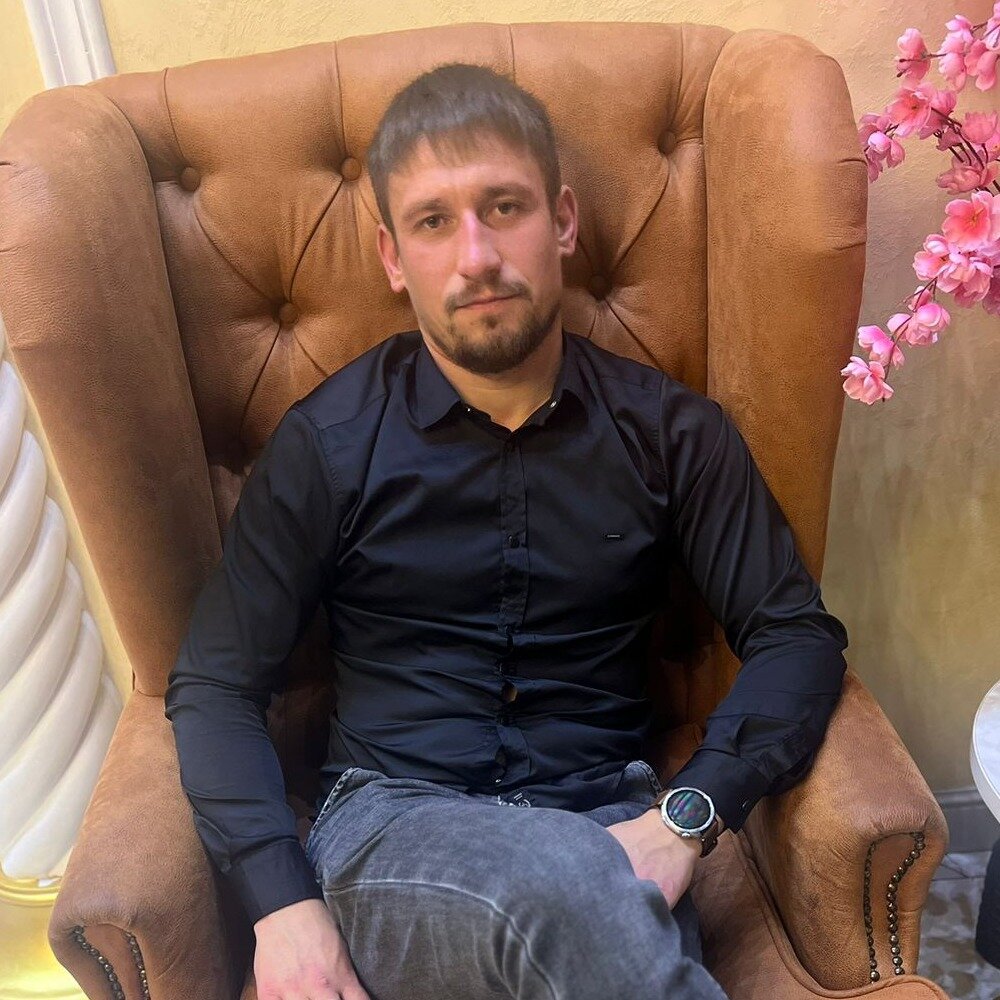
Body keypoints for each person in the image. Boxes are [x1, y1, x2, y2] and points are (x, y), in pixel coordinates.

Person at [164, 62, 850, 1000]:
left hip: (612, 833)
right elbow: (214, 683)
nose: (477, 256)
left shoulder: (673, 435)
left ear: (562, 221)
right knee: (573, 894)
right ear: (392, 257)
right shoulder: (328, 444)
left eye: (504, 207)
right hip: (395, 829)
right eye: (433, 222)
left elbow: (796, 637)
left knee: (583, 893)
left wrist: (685, 818)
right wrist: (281, 906)